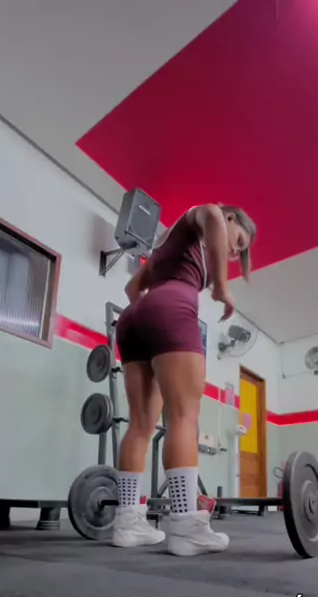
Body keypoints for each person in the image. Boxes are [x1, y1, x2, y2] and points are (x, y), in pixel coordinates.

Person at [112, 204, 256, 555]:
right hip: (171, 307)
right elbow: (212, 216)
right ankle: (186, 526)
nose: (234, 252)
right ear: (231, 218)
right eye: (238, 241)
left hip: (133, 318)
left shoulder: (166, 247)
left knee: (140, 425)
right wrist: (220, 285)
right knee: (183, 417)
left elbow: (133, 287)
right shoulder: (205, 215)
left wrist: (150, 313)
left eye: (238, 252)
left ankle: (127, 522)